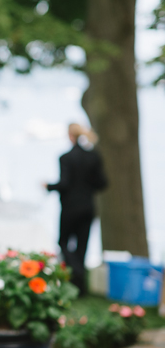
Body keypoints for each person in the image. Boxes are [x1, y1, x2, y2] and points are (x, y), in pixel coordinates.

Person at [46, 123, 107, 296]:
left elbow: (64, 183)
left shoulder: (65, 158)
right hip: (88, 207)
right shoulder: (93, 156)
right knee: (82, 247)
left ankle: (77, 273)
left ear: (70, 136)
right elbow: (102, 183)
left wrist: (49, 186)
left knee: (63, 242)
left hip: (70, 208)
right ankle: (80, 288)